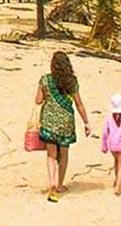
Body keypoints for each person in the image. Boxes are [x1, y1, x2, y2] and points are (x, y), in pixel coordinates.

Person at [35, 51, 91, 202]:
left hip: (49, 122)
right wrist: (86, 122)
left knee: (51, 156)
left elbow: (38, 101)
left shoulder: (45, 80)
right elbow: (79, 104)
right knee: (64, 154)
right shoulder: (72, 82)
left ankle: (51, 184)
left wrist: (45, 94)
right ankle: (60, 184)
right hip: (66, 122)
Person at [100, 93, 121, 195]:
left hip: (112, 146)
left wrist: (104, 146)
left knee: (116, 163)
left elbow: (105, 133)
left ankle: (117, 181)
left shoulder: (109, 118)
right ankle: (118, 186)